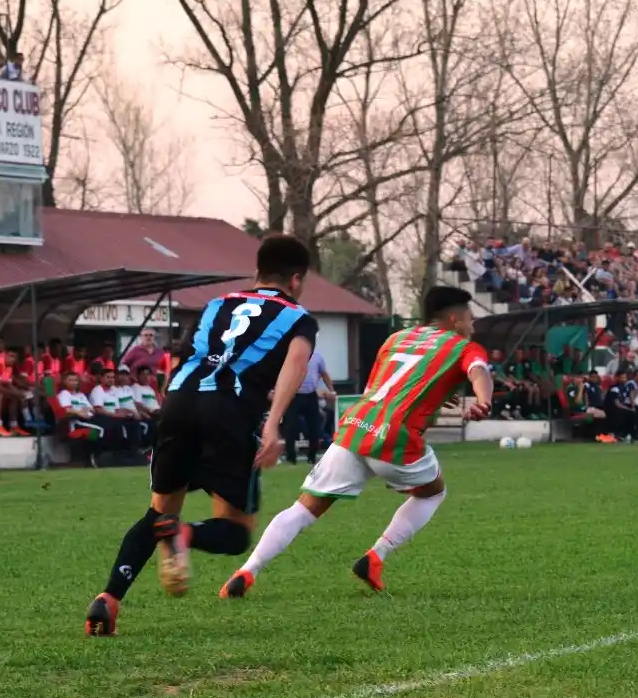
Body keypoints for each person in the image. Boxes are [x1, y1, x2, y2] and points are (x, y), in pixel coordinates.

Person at [83, 236, 319, 636]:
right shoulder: (298, 317)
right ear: (296, 280)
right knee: (236, 531)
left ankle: (108, 599)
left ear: (257, 270)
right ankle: (183, 534)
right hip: (228, 410)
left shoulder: (215, 304)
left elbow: (179, 358)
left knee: (159, 510)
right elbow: (294, 366)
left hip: (179, 402)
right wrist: (273, 423)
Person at [219, 285, 493, 598]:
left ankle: (246, 571)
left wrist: (434, 395)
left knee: (306, 507)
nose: (472, 326)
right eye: (471, 319)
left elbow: (381, 386)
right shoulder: (463, 346)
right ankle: (376, 556)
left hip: (355, 427)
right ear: (456, 319)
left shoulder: (396, 338)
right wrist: (483, 400)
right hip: (393, 436)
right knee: (433, 493)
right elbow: (479, 371)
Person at [282, 346, 335, 465]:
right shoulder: (290, 354)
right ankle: (291, 457)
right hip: (293, 395)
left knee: (314, 427)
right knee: (290, 426)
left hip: (311, 395)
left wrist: (331, 390)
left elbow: (324, 373)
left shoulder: (317, 356)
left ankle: (312, 456)